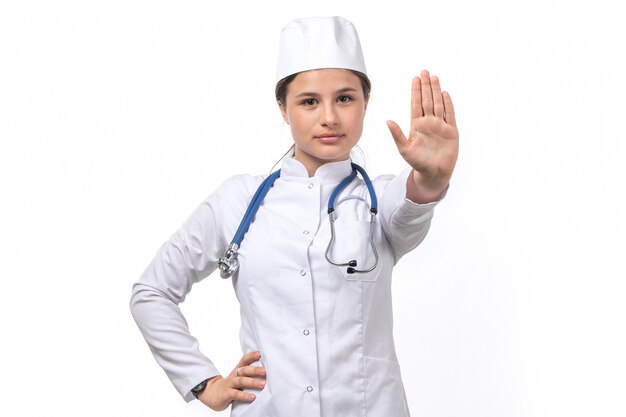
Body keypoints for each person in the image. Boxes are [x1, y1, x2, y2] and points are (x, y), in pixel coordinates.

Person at [130, 15, 459, 417]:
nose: (329, 117)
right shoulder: (238, 200)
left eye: (344, 98)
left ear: (365, 103)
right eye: (308, 101)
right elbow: (152, 292)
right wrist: (204, 382)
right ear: (283, 109)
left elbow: (411, 206)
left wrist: (430, 177)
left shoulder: (380, 201)